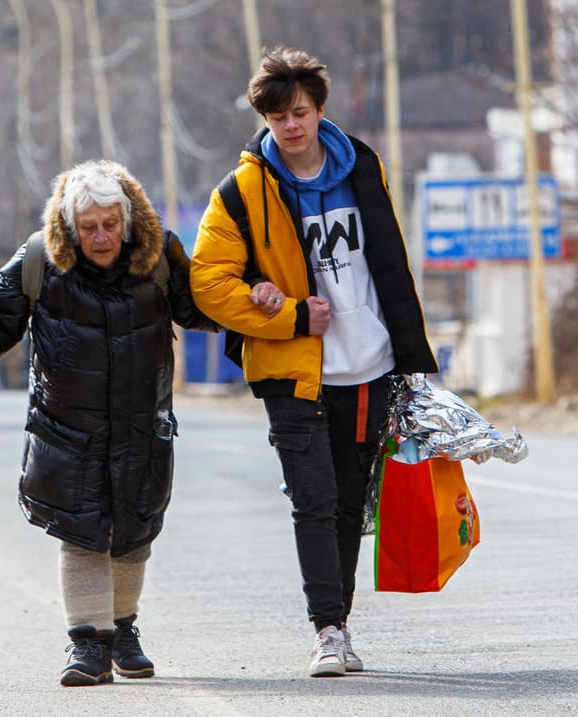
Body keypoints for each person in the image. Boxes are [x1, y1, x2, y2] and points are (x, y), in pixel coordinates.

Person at [189, 46, 439, 678]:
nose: (290, 127)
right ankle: (327, 631)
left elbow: (389, 259)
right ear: (265, 121)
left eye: (299, 112)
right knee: (314, 501)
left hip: (371, 365)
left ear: (319, 109)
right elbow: (208, 284)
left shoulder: (364, 166)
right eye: (277, 118)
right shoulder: (242, 190)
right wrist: (284, 312)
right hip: (292, 370)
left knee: (352, 506)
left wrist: (408, 351)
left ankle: (343, 627)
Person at [0, 159, 216, 687]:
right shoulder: (42, 258)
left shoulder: (160, 255)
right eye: (88, 227)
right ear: (70, 225)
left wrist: (259, 295)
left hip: (141, 424)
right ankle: (88, 642)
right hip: (67, 428)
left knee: (134, 532)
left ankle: (122, 628)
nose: (100, 237)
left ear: (127, 218)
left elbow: (204, 306)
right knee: (82, 531)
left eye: (109, 224)